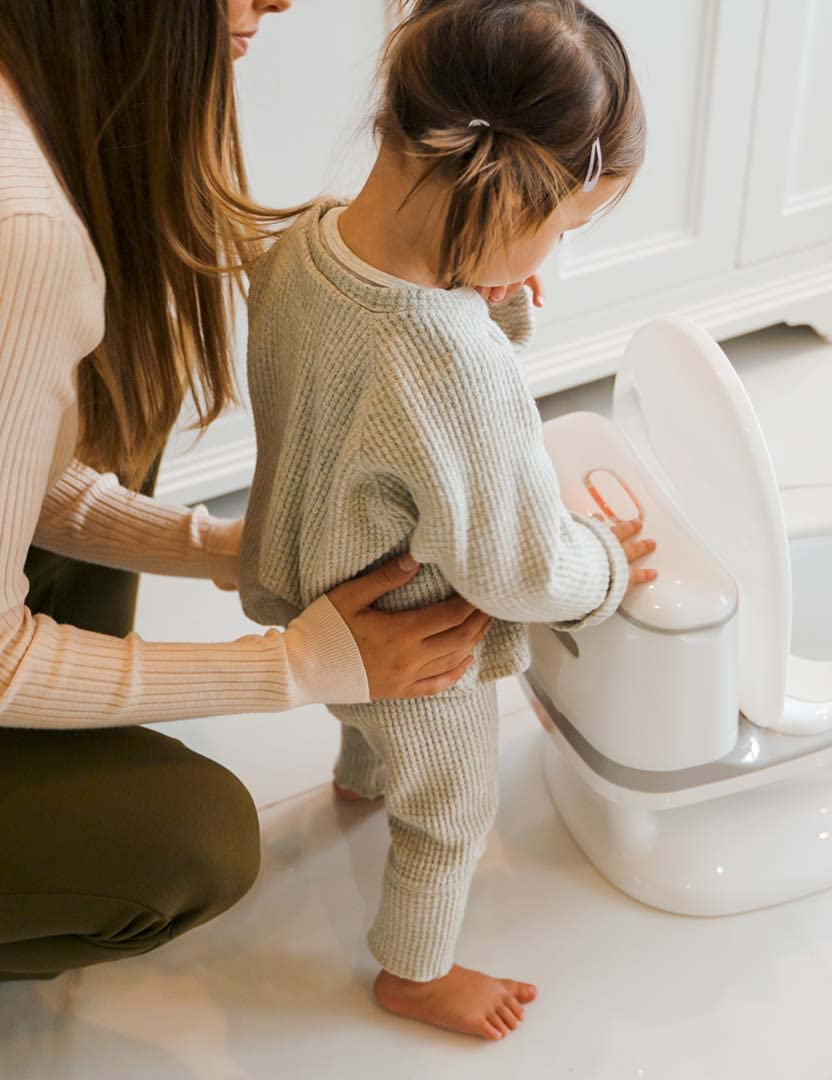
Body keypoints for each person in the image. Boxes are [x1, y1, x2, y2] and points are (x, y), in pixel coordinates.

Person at [0, 0, 492, 981]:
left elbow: (33, 482)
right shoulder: (25, 234)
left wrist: (235, 552)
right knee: (194, 841)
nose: (279, 1)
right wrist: (295, 667)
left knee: (111, 431)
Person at [238, 0, 650, 1041]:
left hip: (307, 581)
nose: (555, 251)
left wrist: (492, 291)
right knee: (454, 803)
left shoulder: (303, 244)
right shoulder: (455, 366)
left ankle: (360, 777)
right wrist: (605, 566)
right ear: (507, 190)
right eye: (565, 226)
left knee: (373, 726)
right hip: (417, 643)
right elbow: (518, 568)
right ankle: (415, 971)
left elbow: (371, 400)